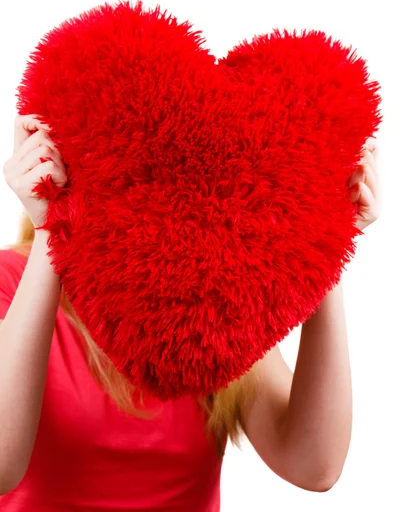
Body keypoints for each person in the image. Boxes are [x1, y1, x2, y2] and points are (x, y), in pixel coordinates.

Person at [0, 113, 380, 511]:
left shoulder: (215, 303)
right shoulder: (12, 281)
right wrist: (52, 226)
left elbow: (314, 466)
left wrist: (328, 242)